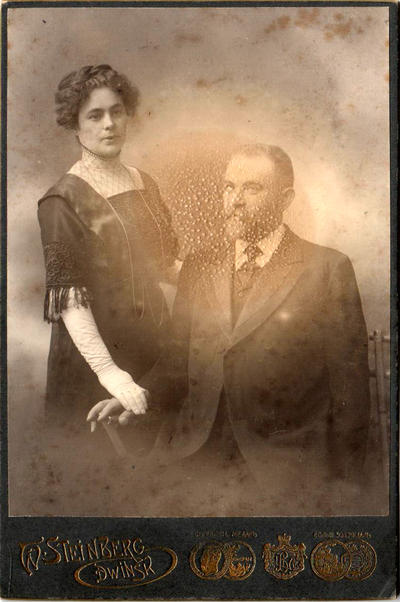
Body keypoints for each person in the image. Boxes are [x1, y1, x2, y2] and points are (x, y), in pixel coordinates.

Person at [89, 143, 373, 516]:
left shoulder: (327, 269)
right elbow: (177, 361)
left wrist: (346, 487)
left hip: (285, 466)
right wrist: (136, 394)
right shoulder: (199, 265)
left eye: (252, 188)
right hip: (194, 454)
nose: (235, 200)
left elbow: (350, 392)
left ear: (285, 198)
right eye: (228, 187)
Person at [38, 64, 178, 434]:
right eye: (95, 115)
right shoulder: (61, 200)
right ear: (74, 123)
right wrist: (110, 374)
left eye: (117, 111)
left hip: (152, 349)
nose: (109, 124)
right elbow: (70, 300)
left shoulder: (144, 182)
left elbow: (165, 265)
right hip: (96, 362)